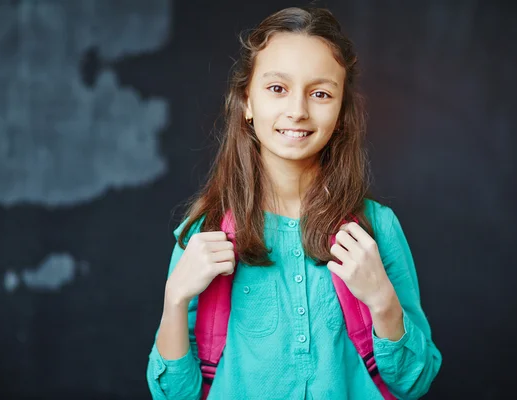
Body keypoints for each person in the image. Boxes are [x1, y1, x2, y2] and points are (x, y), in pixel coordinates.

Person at [146, 6, 442, 400]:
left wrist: (383, 301)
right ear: (246, 102)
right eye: (277, 88)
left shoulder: (377, 228)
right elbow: (172, 395)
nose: (298, 111)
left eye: (320, 93)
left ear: (341, 113)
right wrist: (175, 297)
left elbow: (414, 382)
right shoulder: (204, 234)